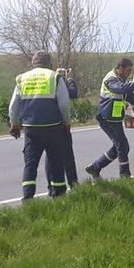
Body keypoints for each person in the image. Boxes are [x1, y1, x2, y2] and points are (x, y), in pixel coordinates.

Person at [8, 51, 71, 200]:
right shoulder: (54, 77)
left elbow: (13, 105)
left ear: (33, 63)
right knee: (56, 161)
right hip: (53, 126)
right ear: (49, 64)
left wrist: (14, 123)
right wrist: (66, 122)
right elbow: (64, 104)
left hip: (31, 127)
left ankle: (28, 197)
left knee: (30, 163)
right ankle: (59, 195)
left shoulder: (22, 78)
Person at [85, 58, 134, 179]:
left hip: (114, 119)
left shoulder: (120, 79)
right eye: (127, 70)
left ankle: (95, 167)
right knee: (122, 146)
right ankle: (124, 175)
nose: (129, 73)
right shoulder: (111, 79)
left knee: (119, 147)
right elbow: (122, 89)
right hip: (106, 118)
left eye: (130, 71)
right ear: (120, 68)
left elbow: (129, 96)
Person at [45, 67, 78, 196]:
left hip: (46, 123)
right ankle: (73, 184)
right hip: (59, 123)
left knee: (50, 157)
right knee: (68, 155)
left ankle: (51, 187)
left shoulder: (48, 82)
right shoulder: (59, 82)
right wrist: (68, 80)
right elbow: (73, 94)